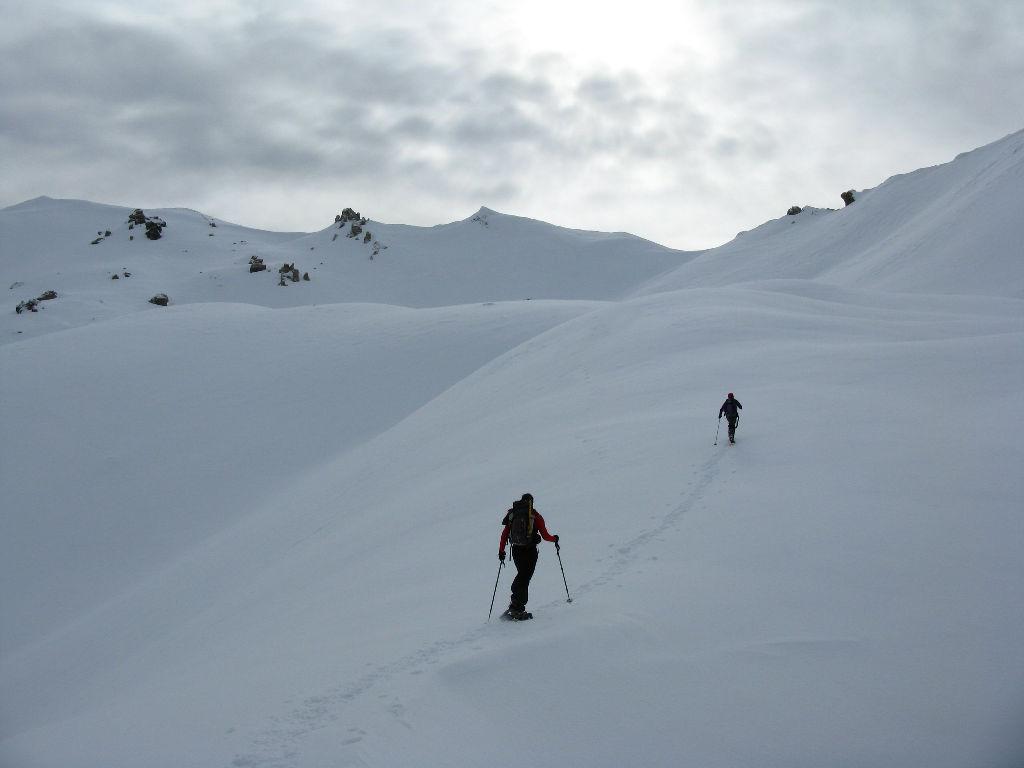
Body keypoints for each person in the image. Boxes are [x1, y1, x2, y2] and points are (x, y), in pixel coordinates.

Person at [498, 493, 559, 620]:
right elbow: (545, 536)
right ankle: (517, 608)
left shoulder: (513, 514)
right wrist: (555, 539)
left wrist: (501, 551)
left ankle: (515, 604)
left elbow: (504, 534)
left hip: (516, 551)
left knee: (522, 575)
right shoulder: (534, 516)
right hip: (530, 551)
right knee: (524, 577)